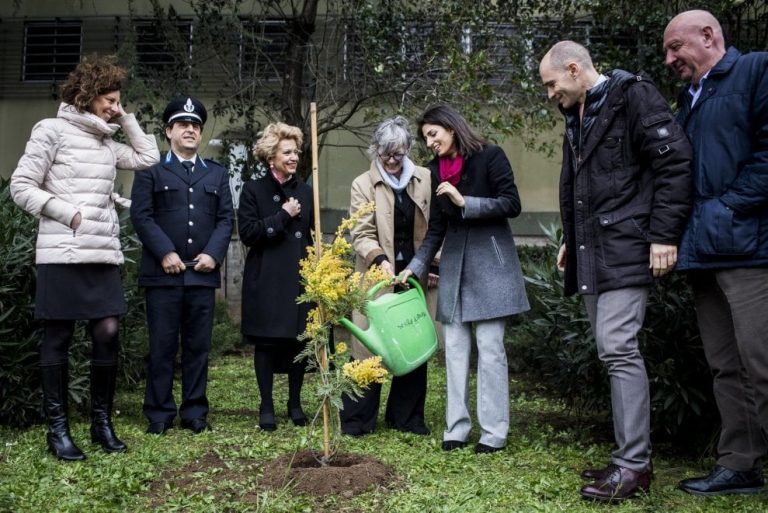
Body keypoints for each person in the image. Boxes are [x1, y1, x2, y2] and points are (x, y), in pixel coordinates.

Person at [538, 41, 693, 501]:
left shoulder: (633, 96)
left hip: (628, 248)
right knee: (611, 353)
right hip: (593, 250)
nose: (549, 94)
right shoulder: (579, 112)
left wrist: (664, 235)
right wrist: (573, 237)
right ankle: (628, 456)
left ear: (573, 68)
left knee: (618, 347)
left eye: (551, 84)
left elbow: (675, 163)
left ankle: (634, 467)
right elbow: (593, 183)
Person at [10, 54, 160, 460]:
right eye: (109, 99)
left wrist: (124, 118)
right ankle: (57, 431)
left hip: (101, 252)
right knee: (57, 336)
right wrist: (65, 211)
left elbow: (149, 158)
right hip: (62, 251)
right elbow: (21, 186)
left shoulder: (108, 142)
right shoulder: (51, 130)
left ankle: (101, 424)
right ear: (86, 95)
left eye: (117, 100)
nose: (114, 106)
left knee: (107, 330)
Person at [663, 10, 768, 496]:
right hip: (704, 252)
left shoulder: (755, 71)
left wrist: (728, 207)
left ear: (708, 36)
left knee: (762, 360)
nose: (669, 59)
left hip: (750, 249)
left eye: (675, 47)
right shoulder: (689, 98)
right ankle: (740, 464)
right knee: (726, 364)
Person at [398, 104, 529, 454]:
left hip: (491, 267)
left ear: (451, 128)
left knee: (490, 351)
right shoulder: (433, 171)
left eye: (433, 134)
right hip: (454, 269)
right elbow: (436, 228)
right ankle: (456, 429)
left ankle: (493, 433)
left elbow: (511, 203)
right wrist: (417, 265)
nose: (430, 142)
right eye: (425, 137)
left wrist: (464, 200)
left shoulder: (491, 156)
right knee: (454, 351)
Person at [130, 96, 233, 435]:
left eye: (196, 125)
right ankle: (159, 413)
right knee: (161, 347)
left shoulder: (216, 174)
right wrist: (165, 252)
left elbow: (224, 219)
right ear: (168, 131)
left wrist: (213, 255)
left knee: (197, 347)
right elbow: (141, 216)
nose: (190, 129)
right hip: (163, 275)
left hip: (201, 276)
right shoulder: (151, 170)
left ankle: (194, 412)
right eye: (183, 124)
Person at [340, 116, 438, 437]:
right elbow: (360, 232)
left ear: (409, 149)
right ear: (376, 152)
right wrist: (379, 259)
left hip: (415, 276)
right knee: (368, 345)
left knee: (411, 339)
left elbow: (437, 228)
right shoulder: (362, 184)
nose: (393, 161)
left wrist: (432, 265)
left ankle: (406, 418)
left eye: (399, 153)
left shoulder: (425, 178)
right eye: (386, 155)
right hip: (375, 276)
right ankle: (358, 421)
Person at [238, 122, 312, 431]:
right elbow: (248, 233)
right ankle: (266, 405)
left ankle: (294, 403)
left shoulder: (306, 191)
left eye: (296, 151)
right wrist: (282, 215)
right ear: (272, 157)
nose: (294, 157)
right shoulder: (254, 190)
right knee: (266, 345)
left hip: (298, 279)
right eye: (287, 152)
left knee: (299, 345)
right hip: (266, 279)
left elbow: (310, 235)